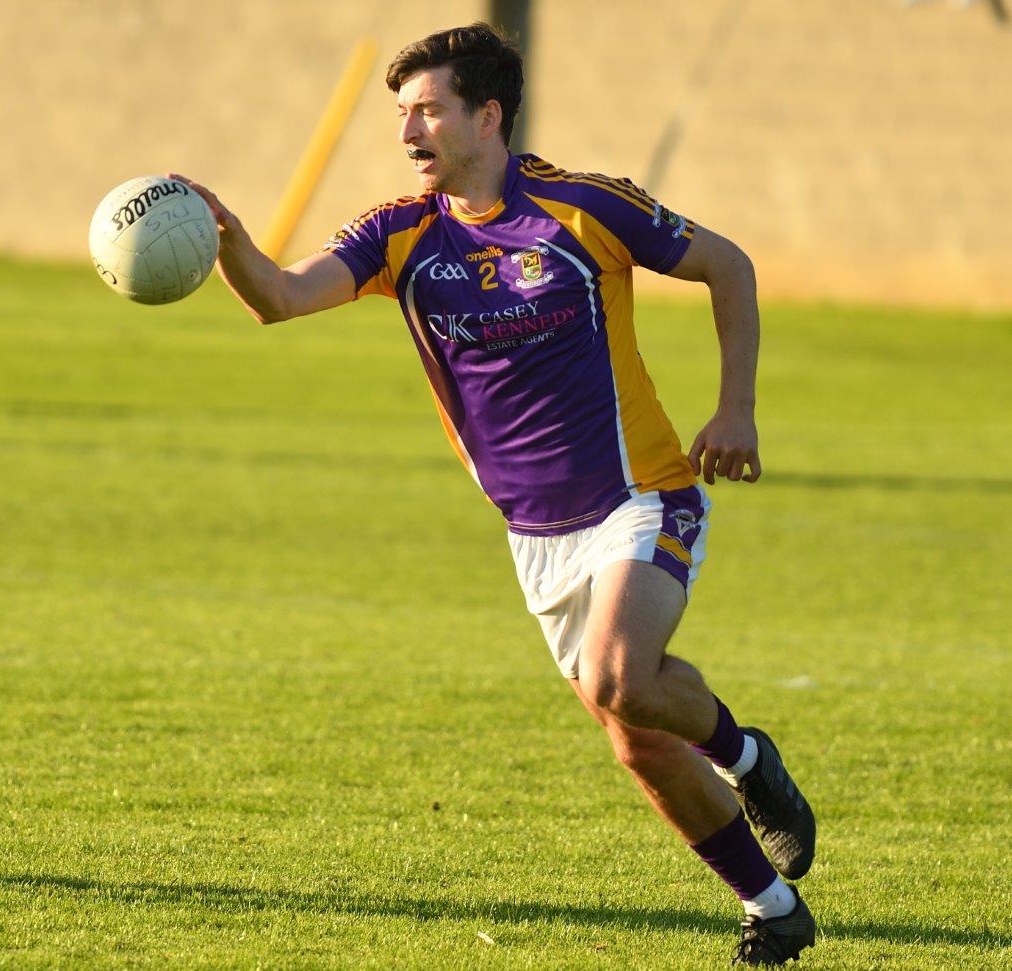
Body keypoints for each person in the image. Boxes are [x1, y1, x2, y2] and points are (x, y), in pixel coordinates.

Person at [173, 22, 817, 967]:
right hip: (535, 532)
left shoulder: (581, 207)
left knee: (620, 677)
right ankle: (772, 906)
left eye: (428, 110)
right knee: (637, 741)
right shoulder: (400, 233)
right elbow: (277, 295)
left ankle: (749, 758)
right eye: (402, 115)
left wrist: (738, 410)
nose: (409, 134)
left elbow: (728, 263)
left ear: (488, 114)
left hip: (641, 492)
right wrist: (226, 236)